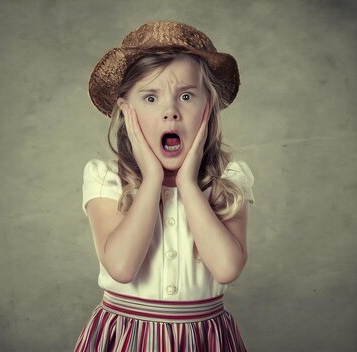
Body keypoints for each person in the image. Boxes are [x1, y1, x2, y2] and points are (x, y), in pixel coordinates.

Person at [75, 21, 255, 351]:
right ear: (126, 112)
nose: (170, 112)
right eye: (150, 98)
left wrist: (187, 183)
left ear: (208, 108)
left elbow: (227, 268)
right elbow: (122, 267)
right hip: (126, 338)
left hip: (202, 340)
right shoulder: (105, 178)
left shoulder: (230, 180)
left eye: (186, 96)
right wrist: (153, 180)